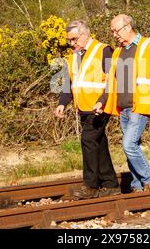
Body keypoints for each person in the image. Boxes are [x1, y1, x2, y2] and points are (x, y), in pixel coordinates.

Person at [93, 14, 150, 192]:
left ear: (127, 27)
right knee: (130, 148)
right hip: (123, 108)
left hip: (140, 106)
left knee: (129, 145)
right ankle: (137, 185)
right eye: (112, 31)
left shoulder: (148, 46)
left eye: (115, 31)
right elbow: (111, 81)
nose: (114, 35)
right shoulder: (118, 51)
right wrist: (102, 101)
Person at [54, 20, 120, 199]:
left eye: (74, 39)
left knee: (88, 140)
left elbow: (111, 80)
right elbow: (70, 82)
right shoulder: (74, 55)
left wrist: (102, 101)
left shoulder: (103, 50)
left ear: (84, 35)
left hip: (99, 106)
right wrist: (62, 103)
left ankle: (90, 185)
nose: (71, 43)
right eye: (69, 40)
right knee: (98, 142)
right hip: (83, 107)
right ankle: (110, 183)